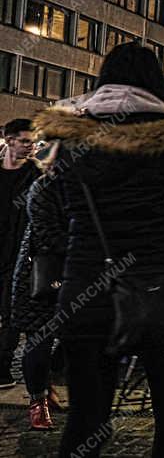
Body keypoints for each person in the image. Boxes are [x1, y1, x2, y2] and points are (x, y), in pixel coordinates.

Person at [34, 43, 164, 458]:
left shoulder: (68, 139)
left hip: (84, 286)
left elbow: (56, 210)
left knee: (86, 418)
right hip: (155, 289)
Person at [10, 146, 64, 429]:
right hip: (40, 278)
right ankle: (37, 401)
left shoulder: (88, 188)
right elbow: (50, 238)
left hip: (76, 277)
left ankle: (47, 383)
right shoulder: (43, 189)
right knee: (39, 342)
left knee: (75, 340)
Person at [1, 118, 38, 390]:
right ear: (9, 139)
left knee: (11, 314)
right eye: (25, 141)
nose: (30, 147)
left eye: (33, 142)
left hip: (18, 258)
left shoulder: (36, 176)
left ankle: (2, 367)